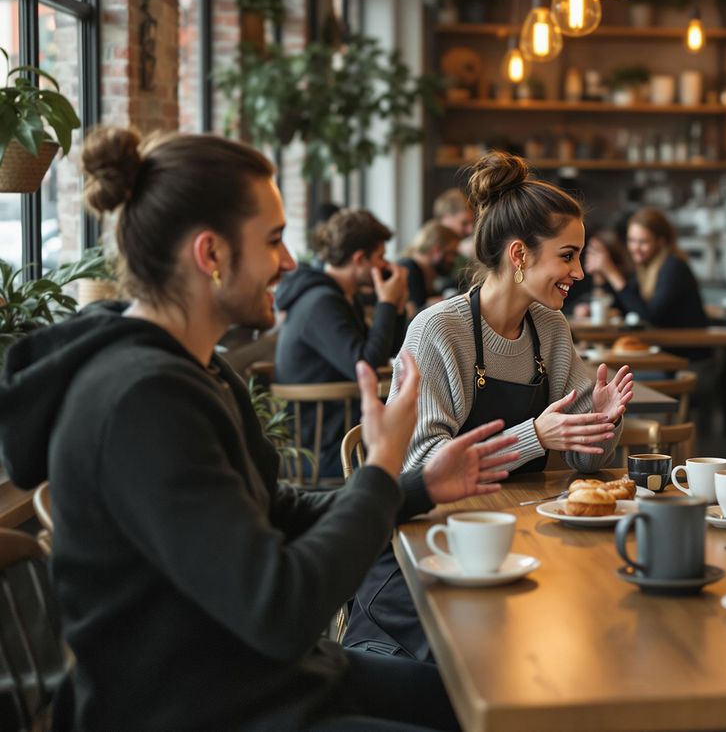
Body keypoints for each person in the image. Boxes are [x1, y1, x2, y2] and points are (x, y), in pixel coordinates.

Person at [0, 128, 523, 731]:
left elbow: (275, 511)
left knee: (486, 699)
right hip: (201, 709)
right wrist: (380, 469)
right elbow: (281, 611)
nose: (291, 262)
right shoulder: (140, 400)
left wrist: (417, 484)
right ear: (211, 254)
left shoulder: (194, 368)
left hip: (264, 678)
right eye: (274, 240)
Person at [345, 151, 634, 658]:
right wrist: (535, 436)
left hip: (517, 541)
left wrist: (601, 426)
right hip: (425, 552)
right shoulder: (438, 330)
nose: (581, 272)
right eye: (568, 256)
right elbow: (420, 464)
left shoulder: (552, 330)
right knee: (498, 653)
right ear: (520, 255)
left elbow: (587, 464)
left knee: (590, 626)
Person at [274, 208, 408, 479]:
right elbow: (367, 365)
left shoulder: (342, 297)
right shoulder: (321, 302)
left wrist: (397, 306)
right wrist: (385, 303)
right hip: (320, 451)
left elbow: (390, 351)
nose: (385, 265)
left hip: (343, 430)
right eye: (380, 257)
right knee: (419, 454)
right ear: (360, 259)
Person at [398, 221, 459, 315]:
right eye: (451, 253)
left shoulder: (425, 272)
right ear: (437, 250)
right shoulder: (409, 269)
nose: (453, 260)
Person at [432, 187, 475, 291]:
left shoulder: (464, 252)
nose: (470, 230)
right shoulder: (432, 252)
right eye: (464, 223)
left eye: (471, 223)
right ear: (445, 219)